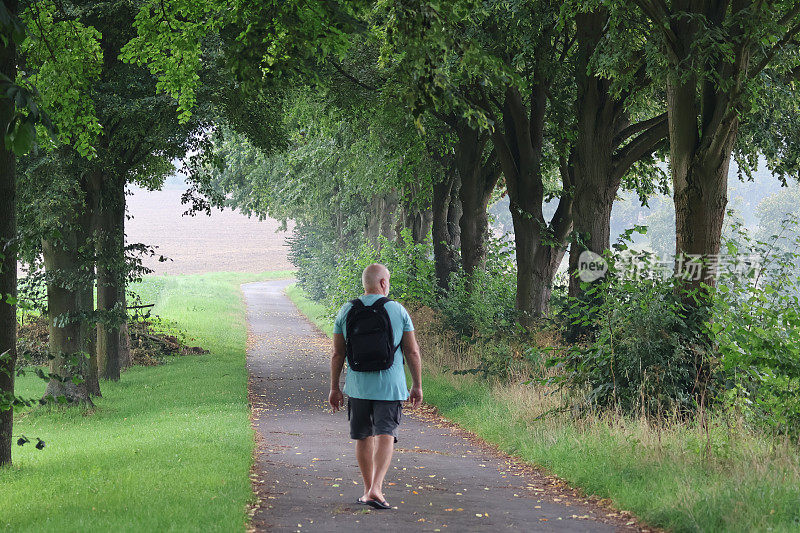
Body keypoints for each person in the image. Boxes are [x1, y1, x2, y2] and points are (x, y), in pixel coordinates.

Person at [328, 263, 423, 510]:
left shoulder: (346, 310)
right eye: (388, 280)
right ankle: (377, 488)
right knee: (385, 434)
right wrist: (417, 385)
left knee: (362, 435)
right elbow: (412, 351)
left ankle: (367, 489)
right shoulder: (397, 310)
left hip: (358, 386)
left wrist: (335, 388)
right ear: (383, 283)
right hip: (390, 387)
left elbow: (337, 354)